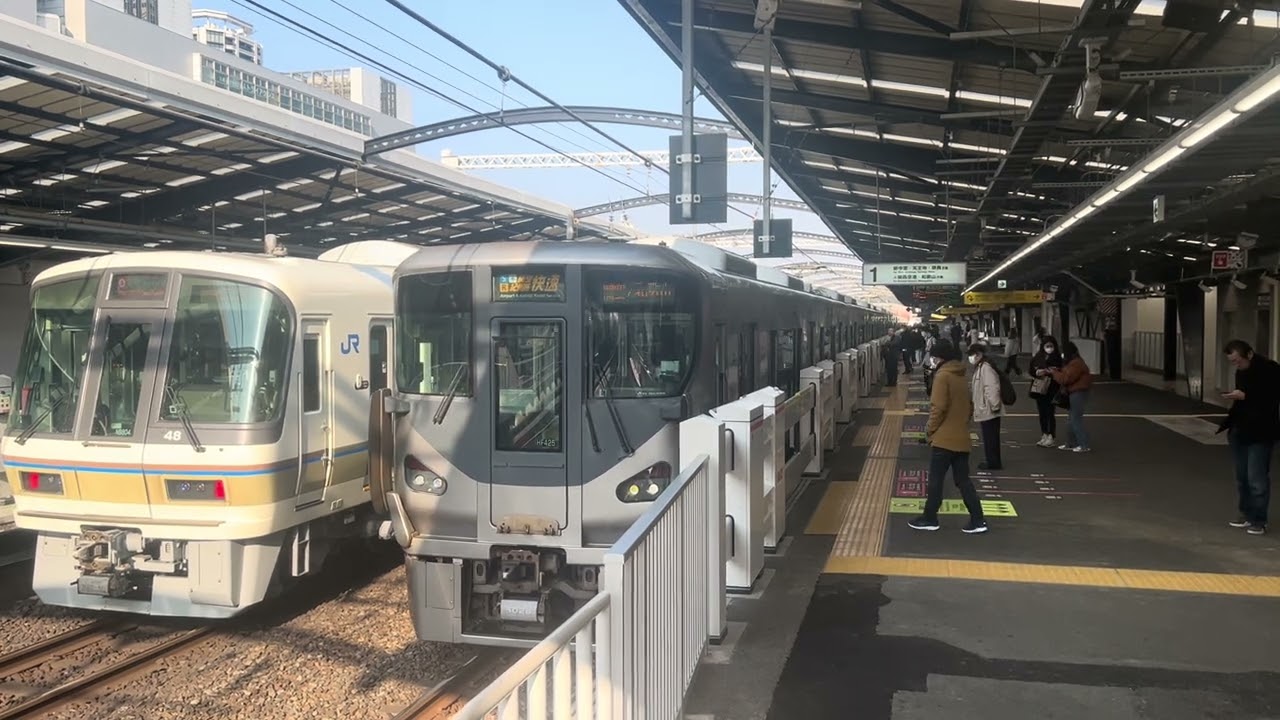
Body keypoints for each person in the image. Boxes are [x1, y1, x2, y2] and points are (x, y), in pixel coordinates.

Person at [908, 339, 988, 534]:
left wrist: (929, 431)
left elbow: (938, 408)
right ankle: (978, 520)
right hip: (961, 437)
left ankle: (930, 518)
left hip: (944, 439)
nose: (932, 360)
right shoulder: (960, 375)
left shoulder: (942, 376)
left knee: (935, 480)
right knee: (963, 480)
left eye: (934, 357)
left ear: (940, 357)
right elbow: (968, 407)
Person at [1217, 339, 1280, 535]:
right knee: (1242, 476)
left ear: (1249, 354)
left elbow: (1271, 398)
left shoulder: (1271, 370)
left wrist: (1245, 396)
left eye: (1238, 360)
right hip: (1240, 429)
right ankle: (1246, 513)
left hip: (1261, 432)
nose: (1236, 365)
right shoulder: (1241, 371)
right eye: (1232, 361)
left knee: (1257, 478)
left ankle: (1259, 520)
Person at [1050, 341, 1093, 452]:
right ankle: (1070, 443)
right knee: (1071, 419)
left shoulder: (1076, 363)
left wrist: (1055, 373)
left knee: (1075, 419)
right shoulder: (1074, 362)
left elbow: (1065, 379)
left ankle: (1084, 445)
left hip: (1078, 392)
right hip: (1075, 392)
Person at [968, 343, 1004, 470]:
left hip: (989, 408)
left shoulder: (986, 368)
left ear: (979, 355)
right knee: (989, 437)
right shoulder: (981, 366)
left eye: (972, 355)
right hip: (986, 408)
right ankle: (992, 460)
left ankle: (993, 462)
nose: (970, 358)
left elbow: (992, 387)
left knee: (991, 437)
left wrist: (994, 405)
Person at [1028, 335, 1065, 447]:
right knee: (1042, 412)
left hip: (1052, 388)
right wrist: (1037, 372)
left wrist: (1051, 371)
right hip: (1039, 387)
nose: (1049, 348)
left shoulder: (1057, 357)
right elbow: (1031, 370)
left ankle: (1051, 435)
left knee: (1050, 412)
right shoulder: (1038, 357)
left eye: (1051, 346)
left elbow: (1062, 371)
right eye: (1047, 346)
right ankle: (1044, 433)